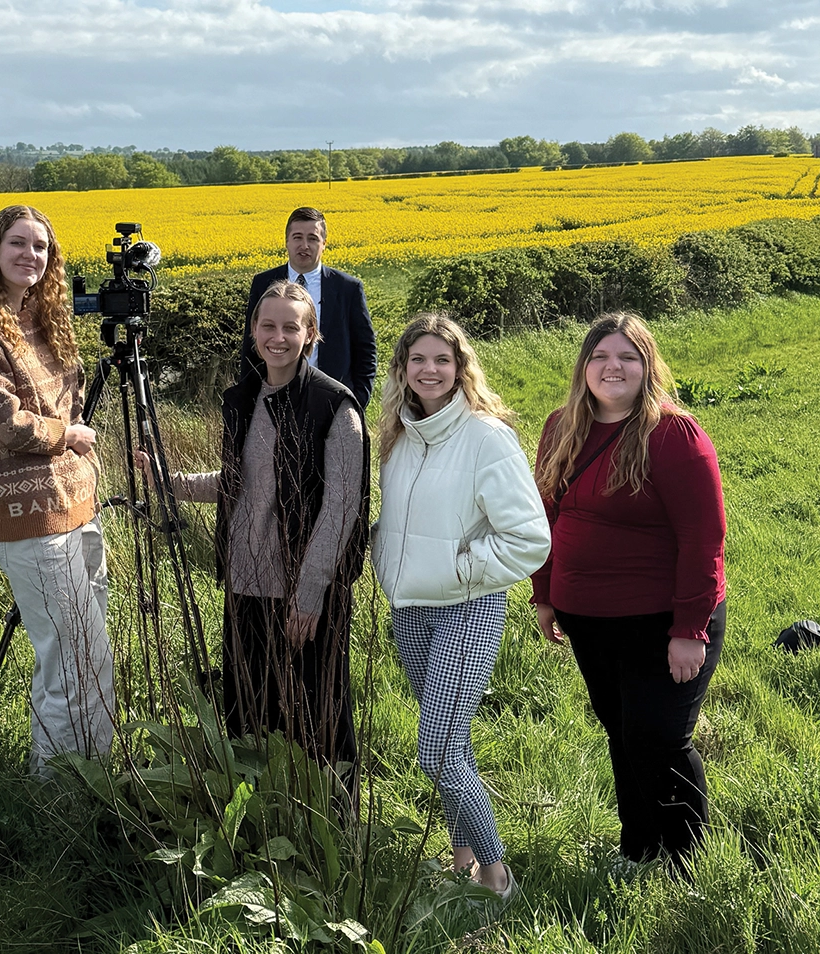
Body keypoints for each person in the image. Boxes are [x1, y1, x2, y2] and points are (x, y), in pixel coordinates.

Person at [149, 280, 368, 775]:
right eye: (267, 325)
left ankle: (335, 814)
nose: (278, 336)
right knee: (249, 712)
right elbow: (238, 483)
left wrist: (310, 594)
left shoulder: (335, 407)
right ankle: (261, 816)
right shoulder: (243, 398)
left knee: (319, 715)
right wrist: (170, 482)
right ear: (252, 332)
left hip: (304, 594)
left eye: (291, 327)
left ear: (311, 334)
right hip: (245, 583)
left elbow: (340, 508)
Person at [531, 312, 727, 866]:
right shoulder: (560, 427)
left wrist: (689, 630)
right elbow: (544, 516)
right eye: (600, 356)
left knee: (660, 735)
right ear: (583, 366)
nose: (612, 367)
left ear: (647, 367)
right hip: (586, 614)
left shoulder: (673, 434)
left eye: (627, 357)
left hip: (662, 616)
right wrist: (544, 594)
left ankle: (684, 859)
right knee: (621, 730)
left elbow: (704, 538)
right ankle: (640, 847)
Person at [371, 313, 549, 900]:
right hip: (410, 609)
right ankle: (462, 851)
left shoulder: (485, 436)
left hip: (466, 606)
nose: (430, 370)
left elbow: (529, 537)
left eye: (441, 360)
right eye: (417, 360)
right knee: (454, 743)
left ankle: (498, 875)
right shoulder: (396, 435)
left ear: (460, 367)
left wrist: (459, 569)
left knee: (435, 747)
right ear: (402, 370)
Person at [0, 205, 113, 775]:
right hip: (29, 517)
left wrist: (71, 442)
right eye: (18, 243)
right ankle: (58, 794)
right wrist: (69, 434)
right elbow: (1, 428)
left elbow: (71, 397)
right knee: (68, 658)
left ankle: (101, 769)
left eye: (40, 247)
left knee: (92, 652)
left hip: (77, 504)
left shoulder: (43, 321)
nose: (29, 256)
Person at [239, 207, 377, 409]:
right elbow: (250, 346)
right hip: (274, 399)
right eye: (297, 237)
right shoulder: (263, 283)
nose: (304, 245)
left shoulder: (348, 288)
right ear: (287, 241)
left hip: (332, 402)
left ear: (324, 244)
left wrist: (356, 403)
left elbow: (366, 351)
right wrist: (249, 399)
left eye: (312, 238)